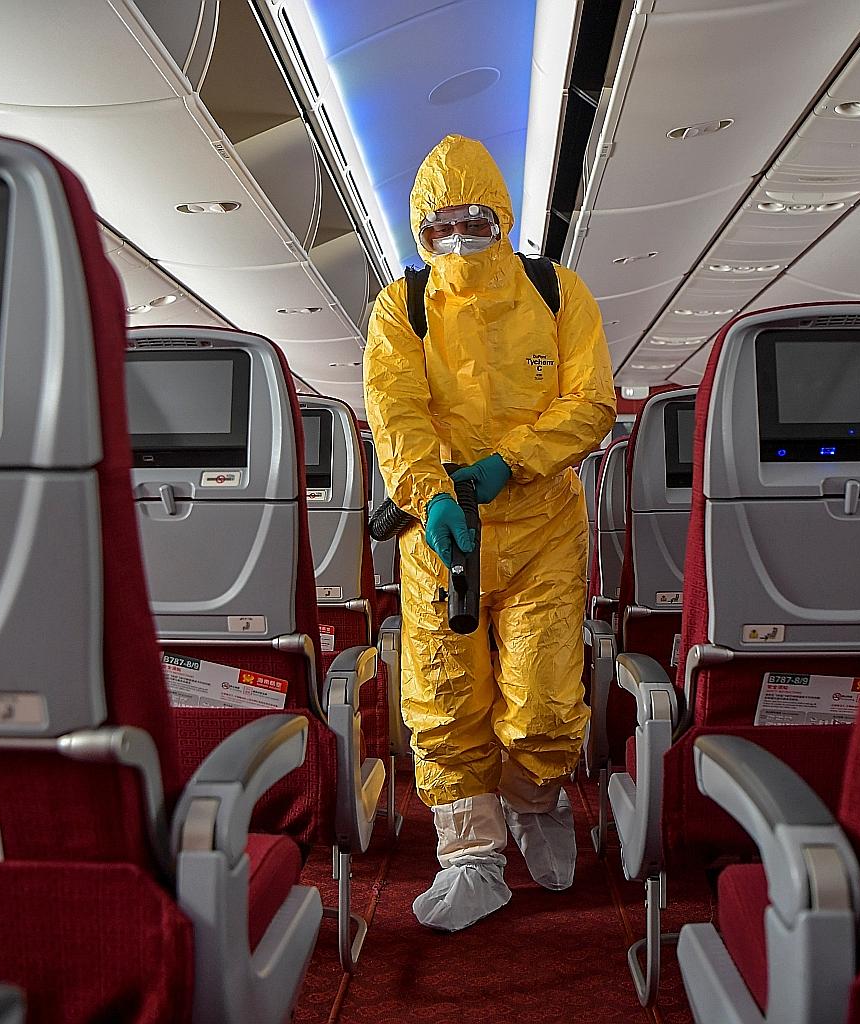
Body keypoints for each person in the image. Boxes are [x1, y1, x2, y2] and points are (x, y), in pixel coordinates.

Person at [363, 134, 616, 931]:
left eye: (475, 219)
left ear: (501, 217)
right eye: (440, 225)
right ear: (419, 230)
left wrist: (512, 461)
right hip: (446, 535)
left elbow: (592, 401)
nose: (459, 236)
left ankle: (534, 800)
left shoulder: (555, 291)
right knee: (444, 701)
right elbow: (395, 412)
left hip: (542, 526)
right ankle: (471, 858)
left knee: (543, 702)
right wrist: (430, 494)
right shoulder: (400, 307)